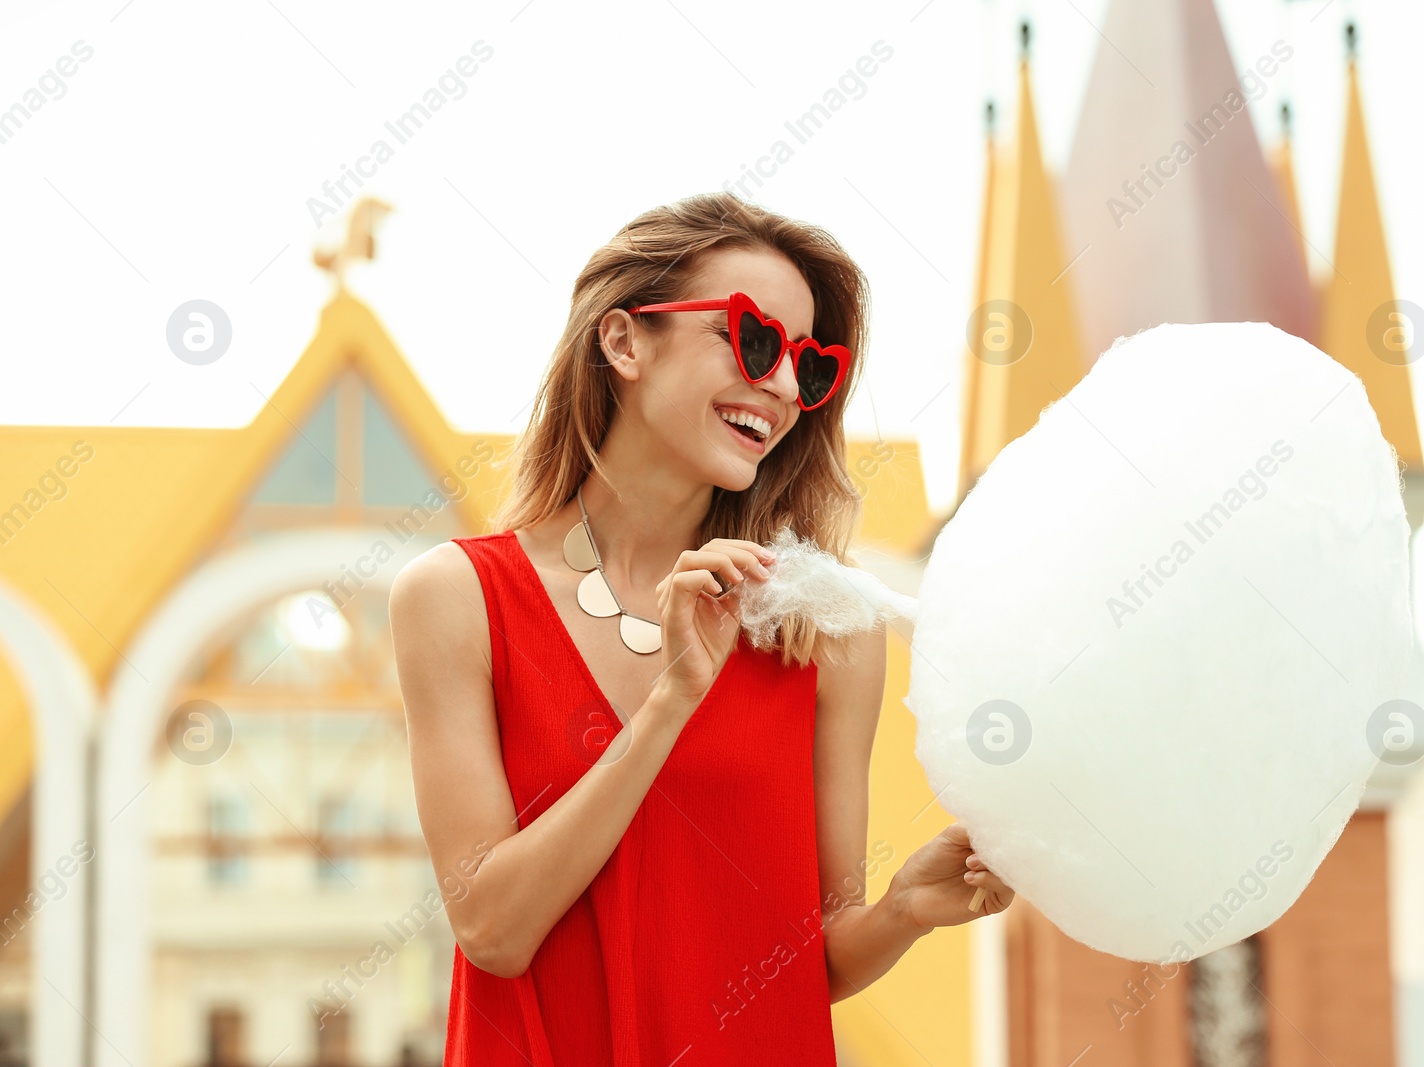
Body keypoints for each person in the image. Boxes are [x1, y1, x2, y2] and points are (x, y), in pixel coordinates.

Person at [389, 191, 1014, 1065]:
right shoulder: (456, 598)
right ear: (623, 340)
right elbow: (492, 926)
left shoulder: (824, 629)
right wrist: (671, 701)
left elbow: (813, 956)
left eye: (812, 363)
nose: (786, 385)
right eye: (754, 337)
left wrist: (904, 908)